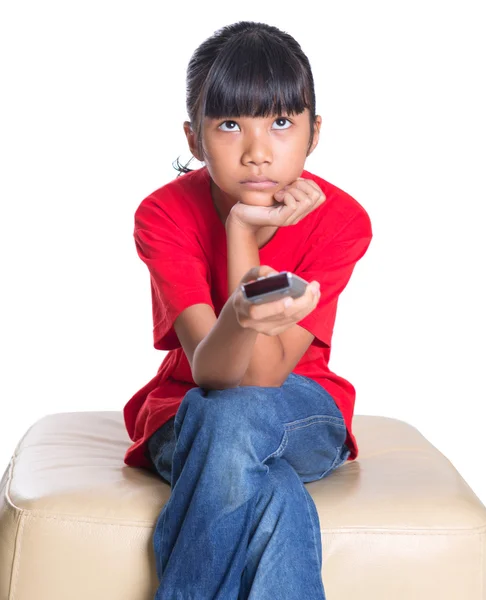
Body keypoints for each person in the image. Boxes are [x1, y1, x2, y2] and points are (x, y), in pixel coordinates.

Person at [123, 20, 373, 600]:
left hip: (302, 408)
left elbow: (263, 377)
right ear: (194, 138)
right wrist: (243, 229)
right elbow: (216, 373)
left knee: (232, 420)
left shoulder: (342, 221)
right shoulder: (163, 216)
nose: (258, 152)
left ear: (314, 134)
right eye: (230, 124)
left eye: (281, 123)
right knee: (270, 490)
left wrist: (242, 236)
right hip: (186, 409)